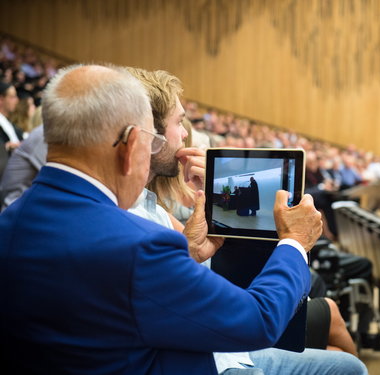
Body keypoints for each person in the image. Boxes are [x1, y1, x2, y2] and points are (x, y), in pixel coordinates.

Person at [0, 64, 358, 375]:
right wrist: (295, 242)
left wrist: (187, 254)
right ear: (130, 145)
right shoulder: (139, 244)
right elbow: (258, 321)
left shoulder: (11, 222)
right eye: (152, 143)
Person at [127, 67, 365, 374]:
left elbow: (185, 275)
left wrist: (194, 248)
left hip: (215, 344)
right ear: (151, 133)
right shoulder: (130, 217)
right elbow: (252, 319)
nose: (186, 133)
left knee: (349, 366)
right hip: (200, 355)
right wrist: (294, 242)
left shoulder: (149, 206)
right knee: (340, 348)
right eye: (178, 122)